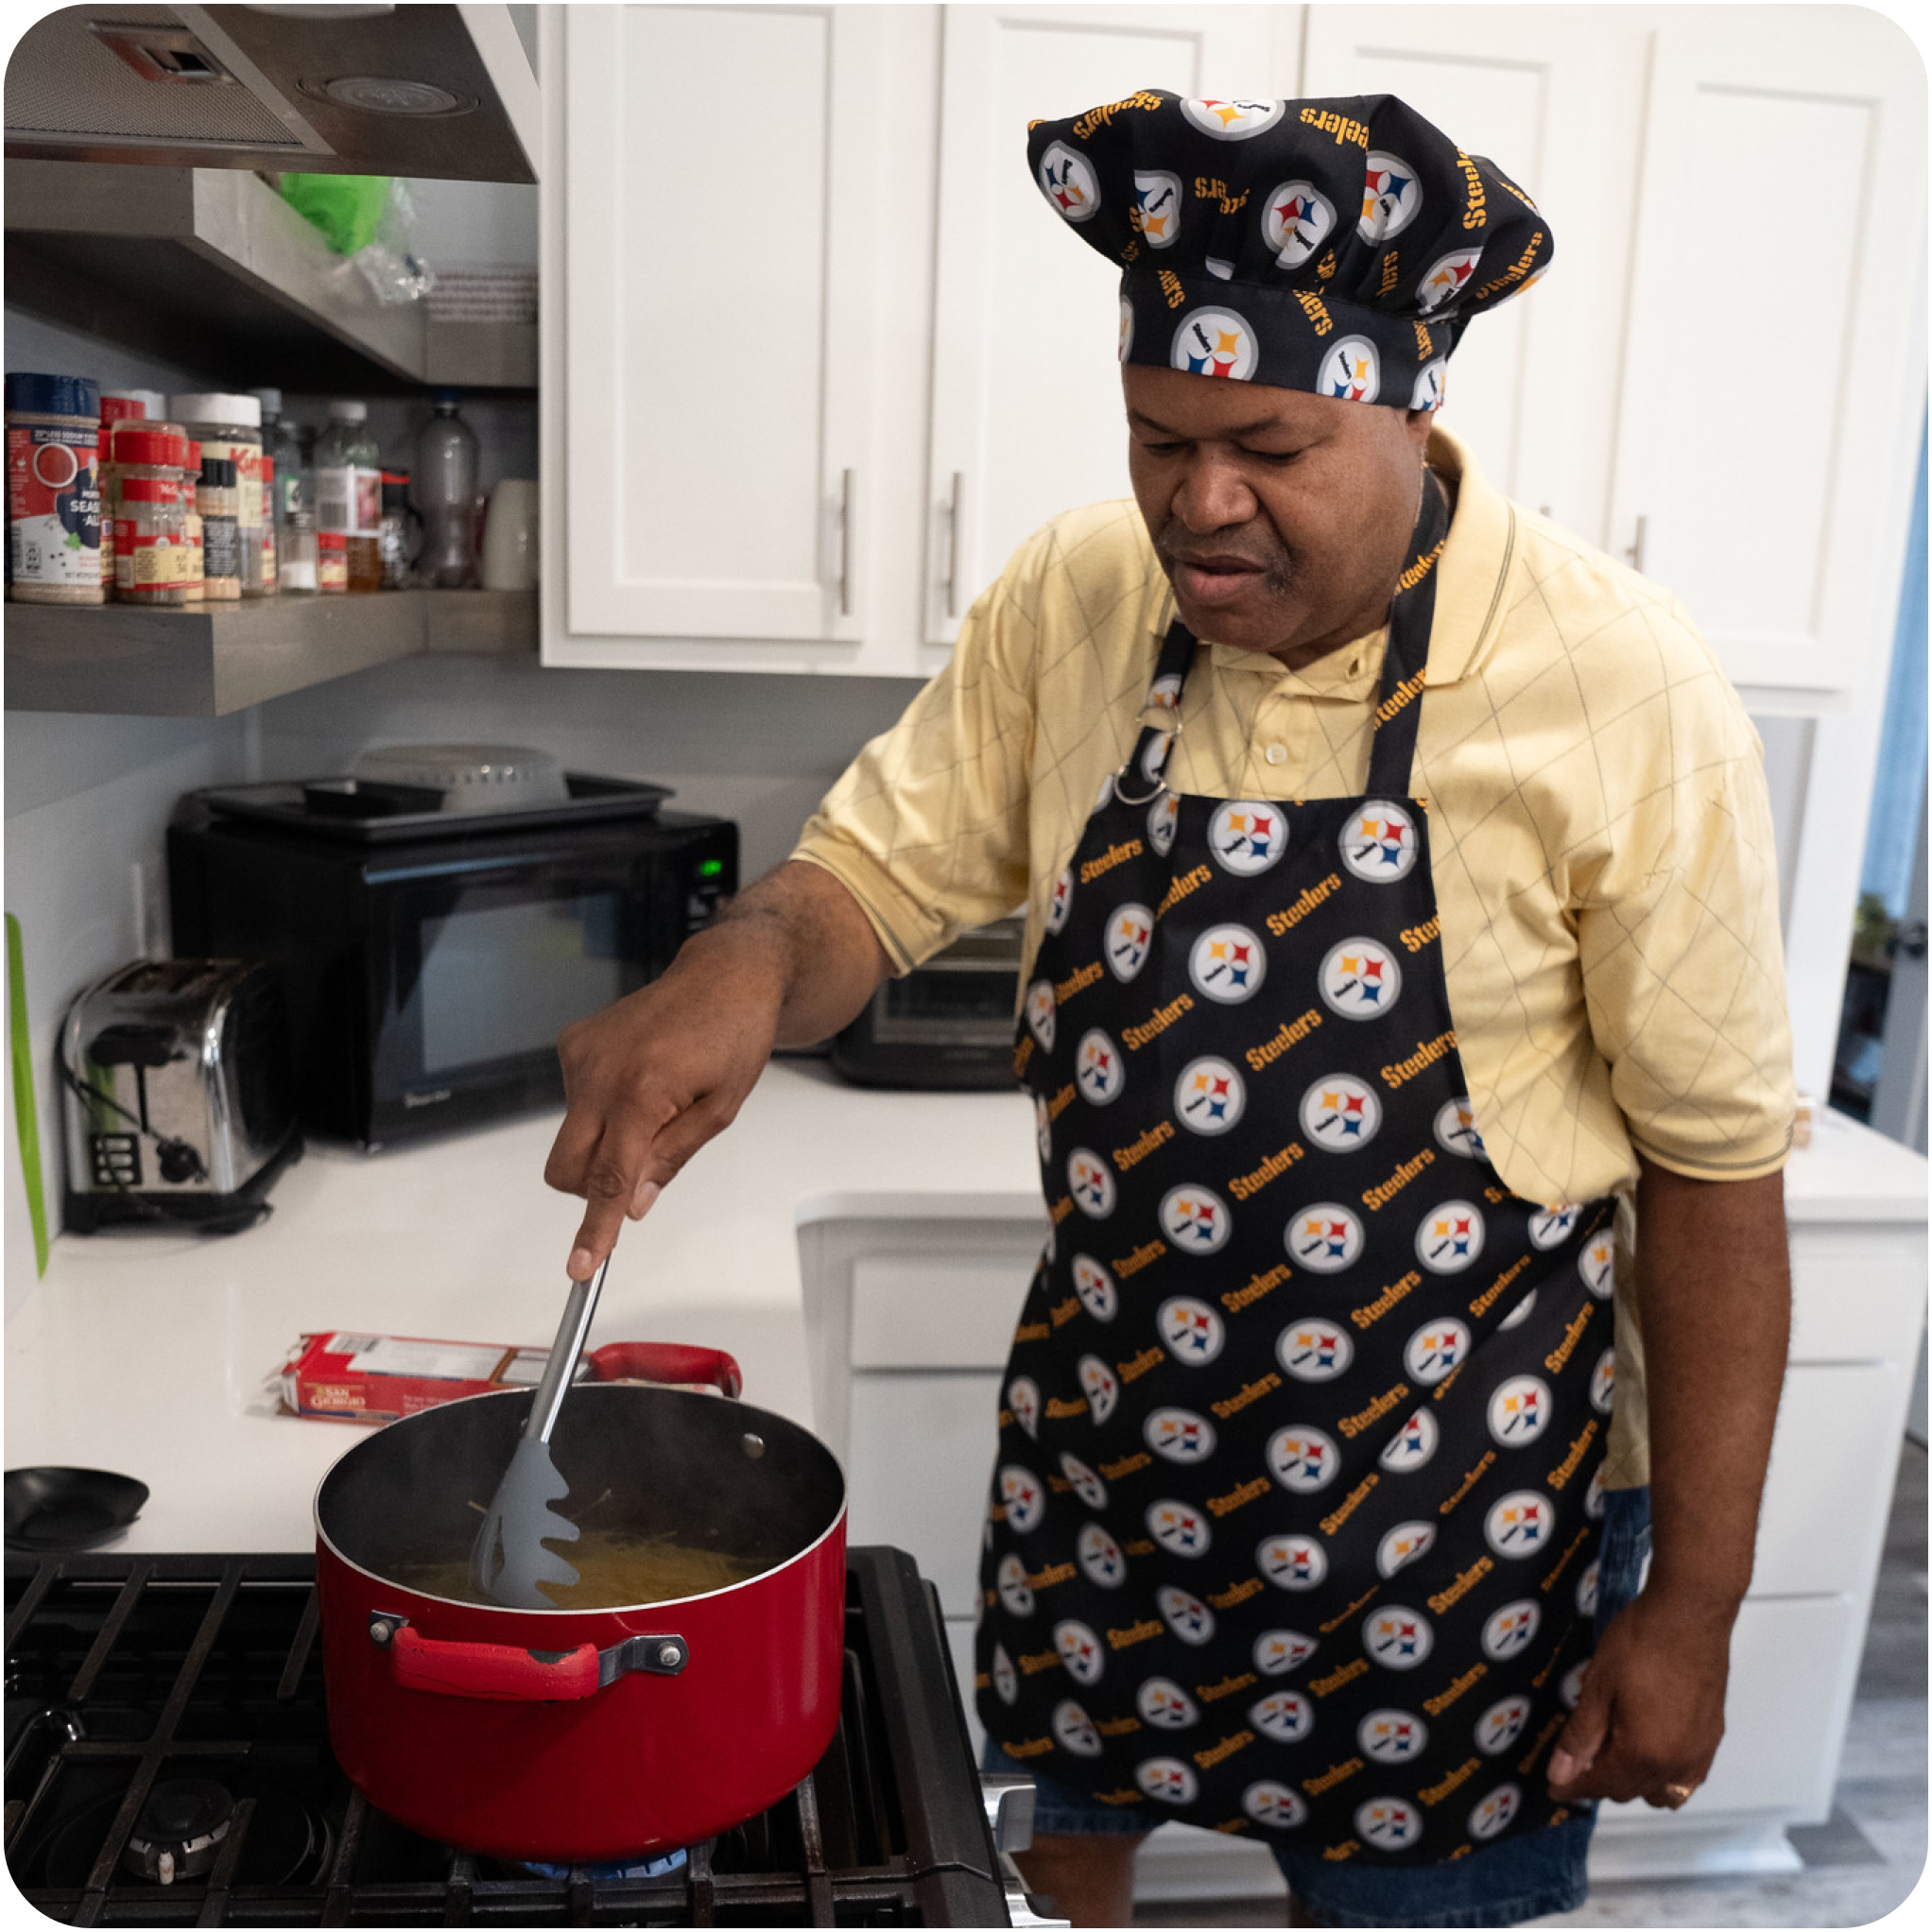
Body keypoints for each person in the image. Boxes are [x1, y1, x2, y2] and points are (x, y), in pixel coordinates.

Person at [545, 90, 1795, 1929]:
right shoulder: (1077, 591)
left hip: (1450, 1543)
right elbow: (869, 883)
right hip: (1110, 1486)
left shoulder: (1612, 679)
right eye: (1158, 440)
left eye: (1267, 445)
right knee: (1046, 1888)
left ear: (1407, 407)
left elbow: (1710, 1179)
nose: (1199, 504)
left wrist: (1689, 1603)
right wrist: (740, 958)